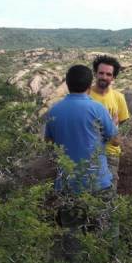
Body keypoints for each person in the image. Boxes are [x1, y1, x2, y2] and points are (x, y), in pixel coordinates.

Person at [45, 64, 119, 195]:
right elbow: (115, 141)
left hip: (66, 184)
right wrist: (114, 124)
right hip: (97, 182)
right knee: (101, 215)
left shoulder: (53, 111)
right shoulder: (98, 108)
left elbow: (49, 143)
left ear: (67, 84)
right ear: (89, 85)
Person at [89, 55, 130, 188]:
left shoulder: (119, 97)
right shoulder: (86, 95)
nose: (104, 77)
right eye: (101, 73)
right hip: (89, 151)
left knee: (108, 192)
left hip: (111, 152)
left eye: (108, 74)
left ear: (113, 77)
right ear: (95, 73)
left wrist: (115, 133)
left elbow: (124, 123)